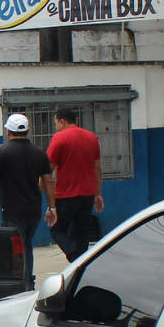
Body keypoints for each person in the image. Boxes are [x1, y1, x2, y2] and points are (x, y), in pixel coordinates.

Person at [0, 113, 57, 288]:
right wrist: (52, 207)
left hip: (12, 211)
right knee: (26, 245)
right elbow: (48, 181)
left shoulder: (2, 152)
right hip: (33, 211)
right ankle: (27, 281)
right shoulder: (39, 153)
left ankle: (20, 283)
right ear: (28, 130)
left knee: (13, 248)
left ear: (8, 131)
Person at [47, 107, 103, 262]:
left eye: (56, 123)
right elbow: (97, 168)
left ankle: (74, 257)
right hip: (87, 194)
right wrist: (98, 194)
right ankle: (82, 261)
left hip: (66, 195)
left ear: (62, 121)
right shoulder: (92, 138)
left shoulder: (59, 138)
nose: (56, 126)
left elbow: (48, 170)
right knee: (82, 233)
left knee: (56, 230)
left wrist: (47, 197)